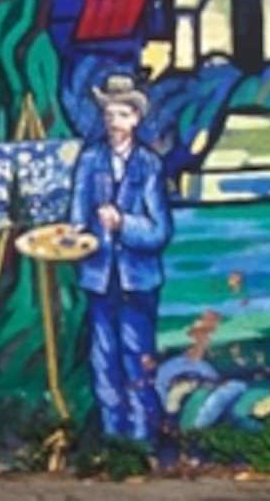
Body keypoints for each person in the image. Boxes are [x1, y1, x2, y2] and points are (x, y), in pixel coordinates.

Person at [68, 74, 169, 443]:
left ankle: (142, 443)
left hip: (137, 280)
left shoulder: (149, 165)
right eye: (109, 114)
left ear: (135, 119)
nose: (114, 122)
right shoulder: (90, 159)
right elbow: (78, 215)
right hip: (98, 276)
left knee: (137, 362)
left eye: (122, 114)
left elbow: (160, 231)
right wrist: (76, 233)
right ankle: (113, 442)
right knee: (103, 362)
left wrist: (123, 223)